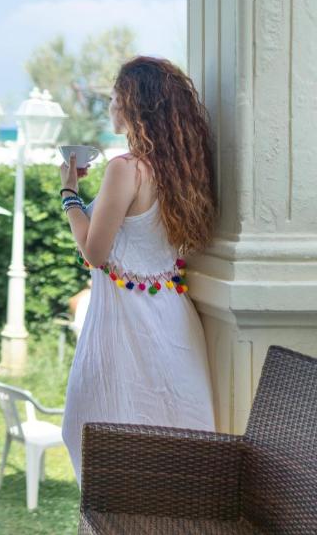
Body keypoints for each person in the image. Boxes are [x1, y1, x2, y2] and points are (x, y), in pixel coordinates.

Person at [58, 56, 217, 483]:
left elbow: (94, 252)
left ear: (133, 105)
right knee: (174, 439)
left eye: (113, 97)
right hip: (174, 321)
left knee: (91, 431)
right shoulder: (184, 169)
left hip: (124, 325)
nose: (109, 106)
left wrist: (69, 194)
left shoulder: (124, 169)